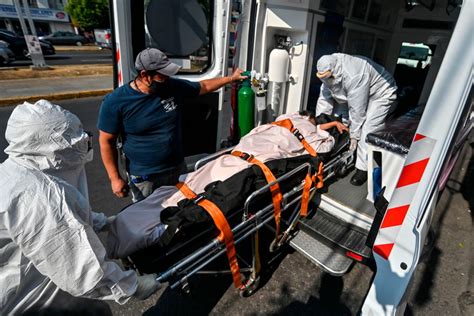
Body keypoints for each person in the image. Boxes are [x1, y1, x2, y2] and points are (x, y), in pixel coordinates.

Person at [106, 111, 348, 259]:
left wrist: (317, 126)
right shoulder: (313, 135)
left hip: (231, 158)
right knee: (203, 198)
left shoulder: (281, 121)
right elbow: (322, 148)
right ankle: (164, 230)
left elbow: (300, 124)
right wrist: (326, 131)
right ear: (311, 120)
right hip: (248, 167)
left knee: (187, 188)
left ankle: (130, 220)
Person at [0, 100, 161, 315]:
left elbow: (65, 216)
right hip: (31, 300)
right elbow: (80, 270)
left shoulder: (15, 171)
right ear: (59, 149)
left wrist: (103, 222)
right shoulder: (40, 196)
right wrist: (131, 286)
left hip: (30, 279)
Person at [98, 48, 247, 202]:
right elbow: (106, 141)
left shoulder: (171, 87)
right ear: (145, 75)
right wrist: (115, 178)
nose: (168, 79)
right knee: (151, 219)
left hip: (177, 168)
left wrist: (231, 78)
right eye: (162, 76)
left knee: (180, 210)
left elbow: (204, 86)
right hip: (146, 178)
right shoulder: (116, 102)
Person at [315, 53, 397, 186]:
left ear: (333, 72)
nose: (324, 80)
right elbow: (324, 99)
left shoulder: (354, 74)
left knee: (367, 129)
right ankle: (341, 149)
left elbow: (357, 113)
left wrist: (354, 138)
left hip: (380, 93)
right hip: (350, 92)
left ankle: (362, 168)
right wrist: (321, 123)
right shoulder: (327, 70)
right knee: (339, 120)